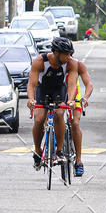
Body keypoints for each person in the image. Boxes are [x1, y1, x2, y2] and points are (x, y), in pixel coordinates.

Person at [27, 37, 78, 170]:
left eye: (70, 54)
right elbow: (32, 84)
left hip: (59, 90)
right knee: (39, 119)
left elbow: (72, 84)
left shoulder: (71, 63)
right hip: (43, 89)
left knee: (59, 113)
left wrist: (71, 100)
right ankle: (37, 150)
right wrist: (31, 99)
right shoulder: (40, 61)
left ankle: (59, 151)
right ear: (55, 53)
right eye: (66, 54)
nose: (69, 57)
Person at [70, 58, 93, 177]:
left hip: (75, 98)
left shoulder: (78, 65)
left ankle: (78, 161)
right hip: (59, 96)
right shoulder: (54, 64)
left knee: (75, 123)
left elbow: (89, 84)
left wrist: (85, 97)